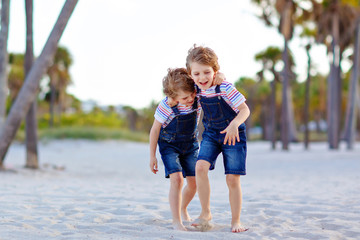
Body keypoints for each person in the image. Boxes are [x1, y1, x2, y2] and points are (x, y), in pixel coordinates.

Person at [149, 68, 224, 231]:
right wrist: (152, 156)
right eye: (184, 97)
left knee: (194, 183)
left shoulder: (196, 94)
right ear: (173, 97)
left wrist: (221, 76)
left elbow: (210, 82)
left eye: (191, 94)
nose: (190, 99)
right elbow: (155, 130)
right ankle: (176, 221)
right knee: (176, 179)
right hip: (169, 145)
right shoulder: (166, 106)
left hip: (190, 145)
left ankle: (183, 208)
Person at [185, 45, 250, 233]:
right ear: (191, 74)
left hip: (233, 134)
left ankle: (236, 221)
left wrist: (234, 124)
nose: (202, 78)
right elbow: (178, 83)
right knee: (200, 167)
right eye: (196, 74)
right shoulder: (196, 89)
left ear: (215, 70)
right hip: (212, 134)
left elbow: (245, 110)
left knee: (232, 179)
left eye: (207, 72)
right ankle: (206, 213)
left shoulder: (225, 87)